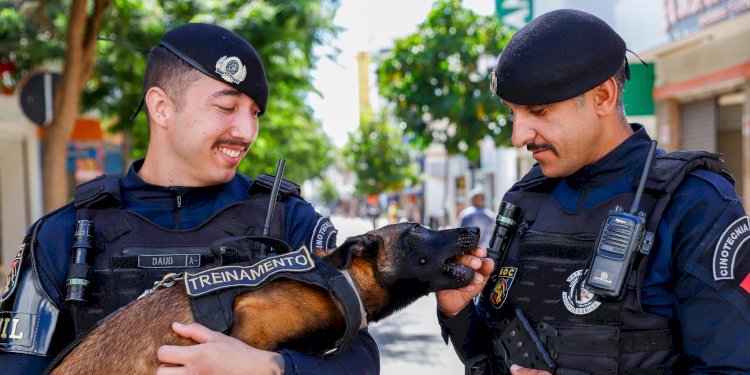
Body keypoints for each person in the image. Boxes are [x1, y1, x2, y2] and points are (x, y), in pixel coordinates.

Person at [0, 23, 379, 374]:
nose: (247, 131)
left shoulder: (290, 221)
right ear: (162, 107)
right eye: (227, 107)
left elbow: (361, 358)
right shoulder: (62, 234)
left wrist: (267, 367)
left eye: (254, 113)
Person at [436, 9, 750, 375]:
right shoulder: (524, 200)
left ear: (603, 96)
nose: (518, 135)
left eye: (539, 111)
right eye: (513, 113)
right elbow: (490, 358)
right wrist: (458, 313)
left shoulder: (695, 203)